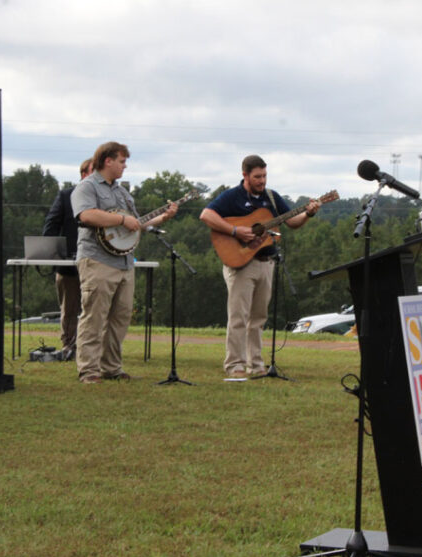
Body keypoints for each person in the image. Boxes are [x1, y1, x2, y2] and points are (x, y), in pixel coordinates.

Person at [199, 155, 321, 378]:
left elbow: (292, 222)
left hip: (266, 262)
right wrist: (235, 231)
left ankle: (255, 364)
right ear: (245, 175)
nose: (262, 180)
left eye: (264, 176)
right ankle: (235, 364)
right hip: (241, 263)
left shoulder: (272, 198)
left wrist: (309, 213)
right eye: (257, 176)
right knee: (239, 316)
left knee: (258, 317)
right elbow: (206, 215)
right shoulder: (232, 196)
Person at [70, 141, 178, 383]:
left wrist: (163, 217)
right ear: (108, 161)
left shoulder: (121, 192)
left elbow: (136, 224)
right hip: (97, 260)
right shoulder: (86, 188)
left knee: (121, 317)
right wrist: (120, 219)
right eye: (121, 161)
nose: (124, 166)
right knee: (94, 316)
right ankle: (89, 371)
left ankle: (111, 368)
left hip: (124, 262)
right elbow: (86, 215)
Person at [42, 158, 92, 361]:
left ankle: (92, 348)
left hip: (98, 262)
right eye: (93, 171)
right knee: (70, 308)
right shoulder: (66, 196)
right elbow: (51, 224)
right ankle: (69, 345)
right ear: (83, 174)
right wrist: (49, 253)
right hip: (69, 265)